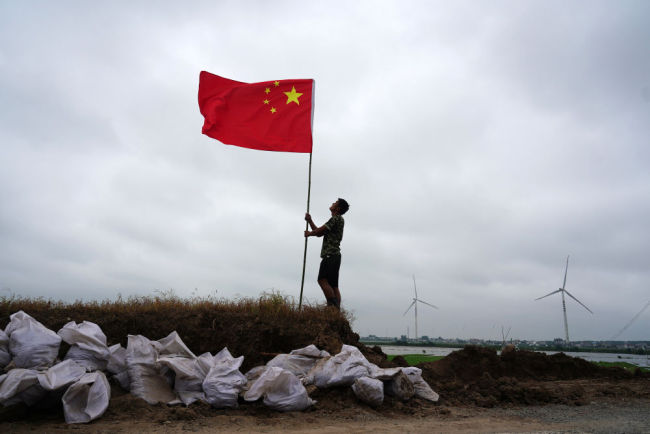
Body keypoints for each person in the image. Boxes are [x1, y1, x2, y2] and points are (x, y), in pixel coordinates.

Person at [304, 198, 349, 309]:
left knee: (322, 280)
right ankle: (336, 311)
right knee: (333, 285)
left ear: (337, 208)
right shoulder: (338, 220)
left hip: (330, 255)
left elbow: (318, 232)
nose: (332, 203)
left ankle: (332, 307)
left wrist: (309, 234)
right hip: (335, 256)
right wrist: (310, 221)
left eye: (335, 203)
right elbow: (320, 232)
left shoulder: (335, 219)